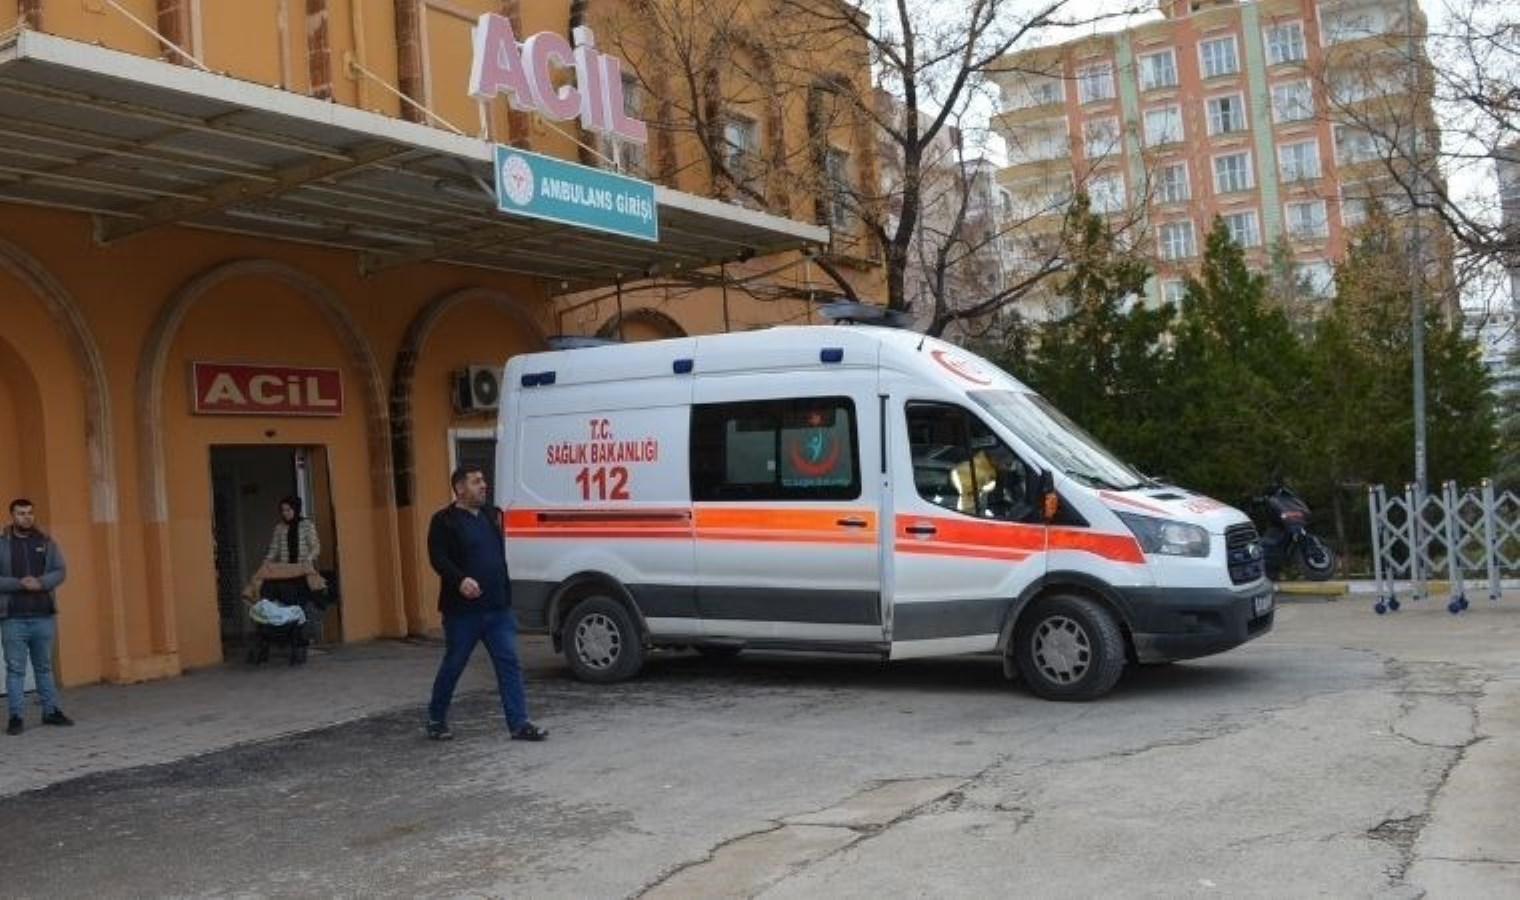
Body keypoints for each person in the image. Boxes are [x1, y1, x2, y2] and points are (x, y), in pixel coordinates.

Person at [424, 465, 546, 742]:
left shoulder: (492, 516)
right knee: (454, 664)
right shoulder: (443, 520)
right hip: (462, 613)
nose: (483, 485)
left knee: (509, 664)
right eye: (476, 481)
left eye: (483, 481)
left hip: (497, 609)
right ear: (459, 488)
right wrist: (460, 580)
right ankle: (436, 718)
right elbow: (438, 558)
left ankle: (519, 723)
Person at [0, 499, 74, 735]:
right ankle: (15, 717)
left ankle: (51, 711)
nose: (26, 517)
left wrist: (41, 582)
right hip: (13, 617)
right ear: (12, 516)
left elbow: (60, 571)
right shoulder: (2, 544)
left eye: (30, 513)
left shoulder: (46, 542)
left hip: (43, 616)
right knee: (15, 669)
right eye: (21, 513)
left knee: (44, 667)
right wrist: (18, 583)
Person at [262, 495, 323, 657]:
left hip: (302, 572)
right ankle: (292, 639)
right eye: (283, 510)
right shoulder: (279, 528)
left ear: (296, 509)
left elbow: (315, 546)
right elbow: (273, 550)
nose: (285, 513)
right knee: (286, 605)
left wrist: (309, 559)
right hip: (286, 573)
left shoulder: (306, 525)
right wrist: (266, 564)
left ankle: (299, 639)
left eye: (288, 509)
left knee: (299, 605)